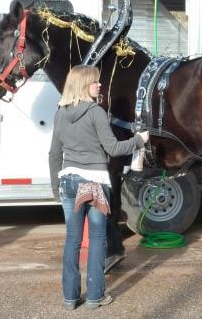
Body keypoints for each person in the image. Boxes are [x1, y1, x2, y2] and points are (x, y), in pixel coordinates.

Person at [49, 65, 149, 310]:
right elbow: (114, 149)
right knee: (96, 240)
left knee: (72, 240)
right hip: (93, 183)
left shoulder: (60, 113)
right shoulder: (96, 112)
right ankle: (94, 297)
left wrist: (55, 188)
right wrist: (139, 140)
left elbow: (54, 155)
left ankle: (71, 298)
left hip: (68, 181)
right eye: (95, 82)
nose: (99, 85)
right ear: (84, 85)